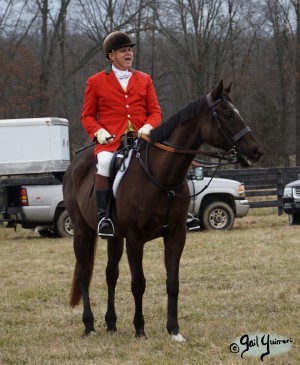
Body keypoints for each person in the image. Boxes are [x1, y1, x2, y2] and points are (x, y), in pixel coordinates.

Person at [81, 30, 162, 238]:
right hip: (111, 142)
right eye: (123, 51)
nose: (129, 54)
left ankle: (179, 211)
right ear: (111, 56)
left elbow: (155, 111)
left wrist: (148, 126)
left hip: (141, 139)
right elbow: (87, 116)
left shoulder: (144, 79)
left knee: (167, 160)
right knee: (105, 163)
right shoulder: (95, 81)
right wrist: (99, 133)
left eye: (130, 51)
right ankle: (104, 218)